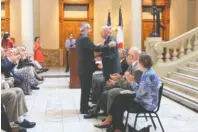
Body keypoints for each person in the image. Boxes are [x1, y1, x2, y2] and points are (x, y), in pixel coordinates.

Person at [106, 52, 161, 132]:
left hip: (145, 104)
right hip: (145, 100)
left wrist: (131, 81)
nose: (138, 63)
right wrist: (132, 81)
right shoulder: (149, 71)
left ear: (141, 63)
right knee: (118, 98)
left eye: (138, 61)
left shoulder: (147, 75)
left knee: (119, 100)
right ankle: (117, 127)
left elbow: (139, 94)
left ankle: (117, 127)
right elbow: (141, 90)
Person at [75, 22, 117, 114]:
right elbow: (94, 48)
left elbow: (89, 50)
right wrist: (109, 45)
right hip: (86, 68)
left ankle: (85, 106)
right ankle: (84, 109)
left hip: (83, 68)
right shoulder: (85, 38)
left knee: (85, 88)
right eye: (89, 29)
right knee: (86, 89)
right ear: (85, 29)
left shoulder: (79, 38)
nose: (90, 30)